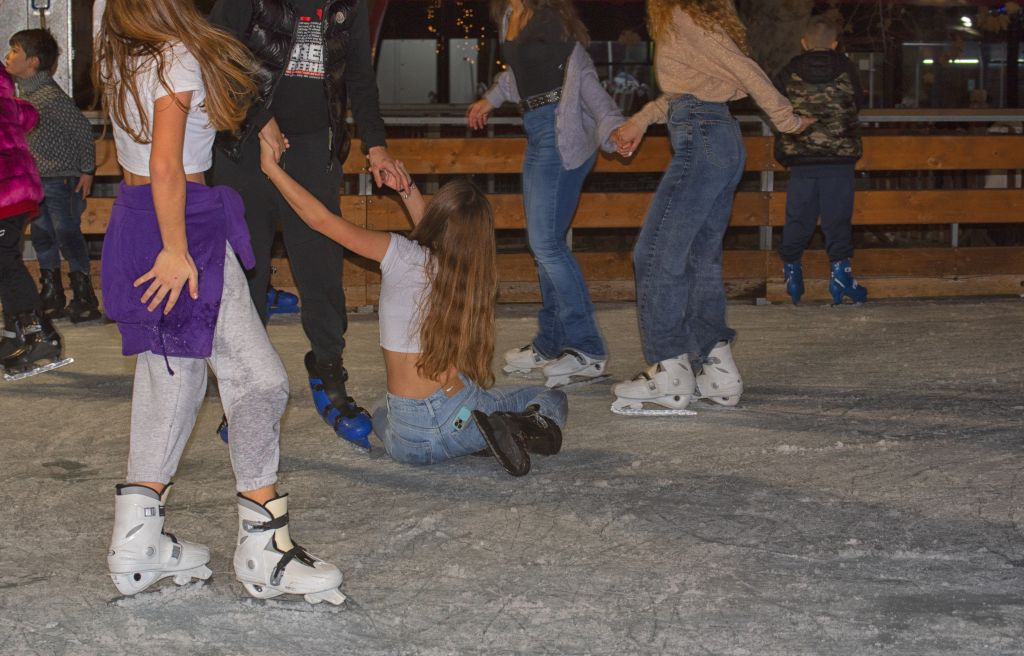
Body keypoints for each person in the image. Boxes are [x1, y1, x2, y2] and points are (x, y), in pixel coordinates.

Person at [94, 0, 345, 604]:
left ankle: (137, 539)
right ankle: (265, 548)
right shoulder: (177, 53)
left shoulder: (119, 41)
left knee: (170, 375)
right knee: (257, 381)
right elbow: (167, 158)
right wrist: (179, 248)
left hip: (136, 219)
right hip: (180, 222)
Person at [259, 141, 568, 477]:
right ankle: (500, 429)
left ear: (438, 214)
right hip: (459, 412)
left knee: (380, 409)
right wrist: (406, 190)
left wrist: (272, 170)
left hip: (409, 439)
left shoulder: (401, 255)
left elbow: (321, 220)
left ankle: (480, 435)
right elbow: (445, 241)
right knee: (550, 398)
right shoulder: (472, 278)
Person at [207, 0, 405, 450]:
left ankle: (329, 371)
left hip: (315, 148)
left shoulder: (346, 7)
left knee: (321, 270)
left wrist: (376, 146)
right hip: (243, 149)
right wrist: (260, 120)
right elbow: (215, 56)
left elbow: (358, 76)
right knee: (247, 277)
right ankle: (243, 394)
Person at [609, 0, 814, 416]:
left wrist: (786, 119)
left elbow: (743, 68)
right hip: (715, 134)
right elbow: (692, 88)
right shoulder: (689, 19)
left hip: (703, 137)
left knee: (654, 255)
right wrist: (642, 119)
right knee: (700, 259)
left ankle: (668, 368)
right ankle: (715, 369)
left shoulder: (681, 15)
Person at [467, 0, 624, 389]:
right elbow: (520, 74)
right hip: (536, 132)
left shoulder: (550, 18)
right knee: (543, 247)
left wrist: (613, 127)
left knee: (547, 245)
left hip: (561, 132)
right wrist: (492, 98)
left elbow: (583, 76)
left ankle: (588, 349)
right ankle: (551, 341)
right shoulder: (507, 17)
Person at [5, 29, 100, 323]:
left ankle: (84, 296)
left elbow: (82, 129)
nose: (7, 57)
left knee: (67, 234)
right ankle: (52, 292)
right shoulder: (26, 96)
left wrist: (86, 170)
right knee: (44, 235)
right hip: (40, 181)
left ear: (32, 62)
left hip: (60, 178)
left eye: (14, 51)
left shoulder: (48, 96)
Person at [773, 15, 867, 306]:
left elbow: (774, 104)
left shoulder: (788, 70)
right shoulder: (848, 68)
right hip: (838, 159)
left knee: (798, 217)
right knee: (837, 218)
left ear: (804, 43)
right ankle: (841, 277)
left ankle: (792, 271)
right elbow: (858, 105)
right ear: (835, 45)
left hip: (800, 158)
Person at [0, 66, 68, 379]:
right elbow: (29, 115)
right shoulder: (11, 104)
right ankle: (16, 333)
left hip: (6, 192)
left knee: (6, 261)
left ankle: (40, 332)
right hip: (20, 191)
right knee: (4, 260)